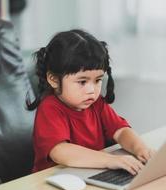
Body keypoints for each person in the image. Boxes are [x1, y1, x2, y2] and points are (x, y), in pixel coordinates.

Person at [26, 29, 154, 175]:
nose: (92, 90)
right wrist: (110, 160)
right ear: (54, 79)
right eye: (82, 82)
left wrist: (140, 148)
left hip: (89, 174)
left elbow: (120, 131)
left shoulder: (96, 103)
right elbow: (60, 151)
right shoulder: (50, 108)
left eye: (98, 80)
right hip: (53, 182)